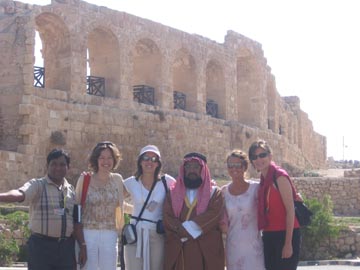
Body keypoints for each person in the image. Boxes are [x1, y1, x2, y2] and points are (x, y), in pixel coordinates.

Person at [0, 149, 87, 270]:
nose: (58, 168)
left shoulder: (72, 191)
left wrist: (83, 246)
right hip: (41, 247)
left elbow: (77, 222)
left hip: (66, 248)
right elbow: (20, 194)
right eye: (54, 164)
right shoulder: (37, 185)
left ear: (68, 168)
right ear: (47, 166)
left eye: (62, 164)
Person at [163, 152, 225, 270]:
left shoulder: (214, 193)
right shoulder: (172, 193)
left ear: (203, 169)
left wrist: (185, 231)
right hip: (180, 247)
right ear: (183, 169)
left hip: (204, 248)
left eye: (196, 167)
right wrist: (179, 230)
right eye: (188, 167)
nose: (192, 170)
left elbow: (213, 215)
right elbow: (167, 215)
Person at [248, 139, 301, 270]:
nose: (259, 159)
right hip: (269, 234)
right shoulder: (263, 180)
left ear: (270, 156)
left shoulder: (280, 177)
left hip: (286, 234)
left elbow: (290, 210)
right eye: (254, 157)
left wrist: (288, 244)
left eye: (262, 155)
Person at [123, 145, 176, 270]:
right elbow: (114, 200)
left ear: (158, 164)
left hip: (156, 233)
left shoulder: (166, 181)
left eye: (153, 159)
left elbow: (182, 193)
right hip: (135, 233)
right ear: (140, 161)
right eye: (146, 158)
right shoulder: (131, 182)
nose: (149, 162)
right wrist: (132, 211)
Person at [75, 141, 125, 270]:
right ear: (96, 159)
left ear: (114, 160)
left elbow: (122, 204)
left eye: (109, 158)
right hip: (88, 233)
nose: (106, 161)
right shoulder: (85, 179)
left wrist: (143, 209)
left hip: (110, 233)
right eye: (102, 157)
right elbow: (76, 206)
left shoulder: (117, 180)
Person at [221, 149, 265, 270]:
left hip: (254, 249)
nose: (234, 168)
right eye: (230, 165)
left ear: (245, 167)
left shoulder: (255, 188)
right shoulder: (224, 192)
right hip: (233, 248)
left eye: (238, 165)